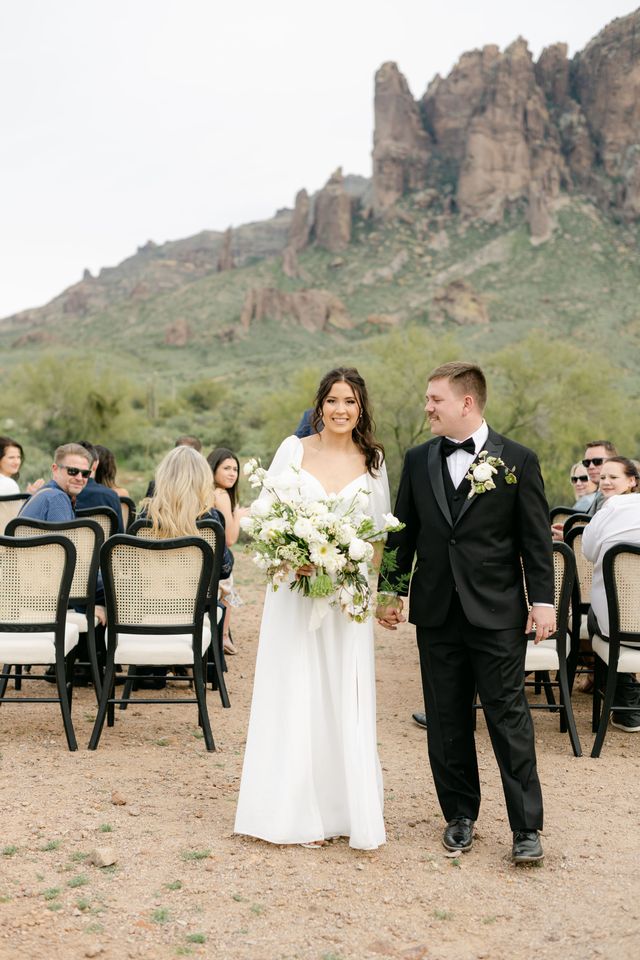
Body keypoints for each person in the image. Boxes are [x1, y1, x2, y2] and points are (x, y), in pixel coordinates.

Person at [378, 361, 555, 865]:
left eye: (435, 399)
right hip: (436, 612)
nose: (428, 407)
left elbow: (535, 540)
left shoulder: (518, 459)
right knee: (445, 718)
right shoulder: (417, 460)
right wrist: (391, 591)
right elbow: (402, 532)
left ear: (467, 403)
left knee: (509, 717)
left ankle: (526, 827)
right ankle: (459, 816)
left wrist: (542, 601)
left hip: (498, 612)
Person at [235, 367, 390, 850]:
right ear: (319, 404)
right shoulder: (293, 449)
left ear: (361, 408)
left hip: (347, 594)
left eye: (350, 401)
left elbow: (380, 535)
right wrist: (291, 555)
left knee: (343, 690)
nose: (341, 409)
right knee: (294, 686)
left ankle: (344, 809)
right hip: (295, 593)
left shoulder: (374, 460)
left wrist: (374, 587)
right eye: (332, 400)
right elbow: (263, 519)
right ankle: (290, 810)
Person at [135, 445, 234, 689]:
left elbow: (134, 565)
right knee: (217, 603)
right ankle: (207, 668)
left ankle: (151, 671)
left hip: (150, 605)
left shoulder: (145, 516)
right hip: (195, 608)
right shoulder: (210, 519)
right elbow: (224, 570)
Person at [582, 457, 640, 732]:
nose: (604, 481)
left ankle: (625, 705)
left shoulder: (609, 509)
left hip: (618, 627)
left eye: (612, 477)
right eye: (602, 477)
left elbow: (587, 553)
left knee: (596, 617)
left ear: (632, 481)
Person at [207, 447, 250, 655]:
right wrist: (238, 515)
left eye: (235, 469)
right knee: (227, 580)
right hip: (215, 567)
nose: (232, 473)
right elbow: (230, 539)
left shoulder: (204, 491)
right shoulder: (220, 494)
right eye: (226, 468)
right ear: (213, 469)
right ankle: (223, 636)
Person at [552, 439, 618, 540]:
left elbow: (602, 539)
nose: (591, 466)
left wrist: (567, 537)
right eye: (587, 462)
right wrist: (568, 530)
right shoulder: (601, 493)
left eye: (597, 462)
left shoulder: (612, 495)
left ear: (614, 462)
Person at [19, 443, 92, 521]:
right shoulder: (57, 497)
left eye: (85, 473)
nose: (79, 478)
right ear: (55, 469)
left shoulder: (49, 493)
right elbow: (62, 533)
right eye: (72, 471)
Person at [75, 441, 125, 532]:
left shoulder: (58, 496)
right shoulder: (110, 496)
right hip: (103, 546)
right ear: (95, 464)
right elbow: (119, 538)